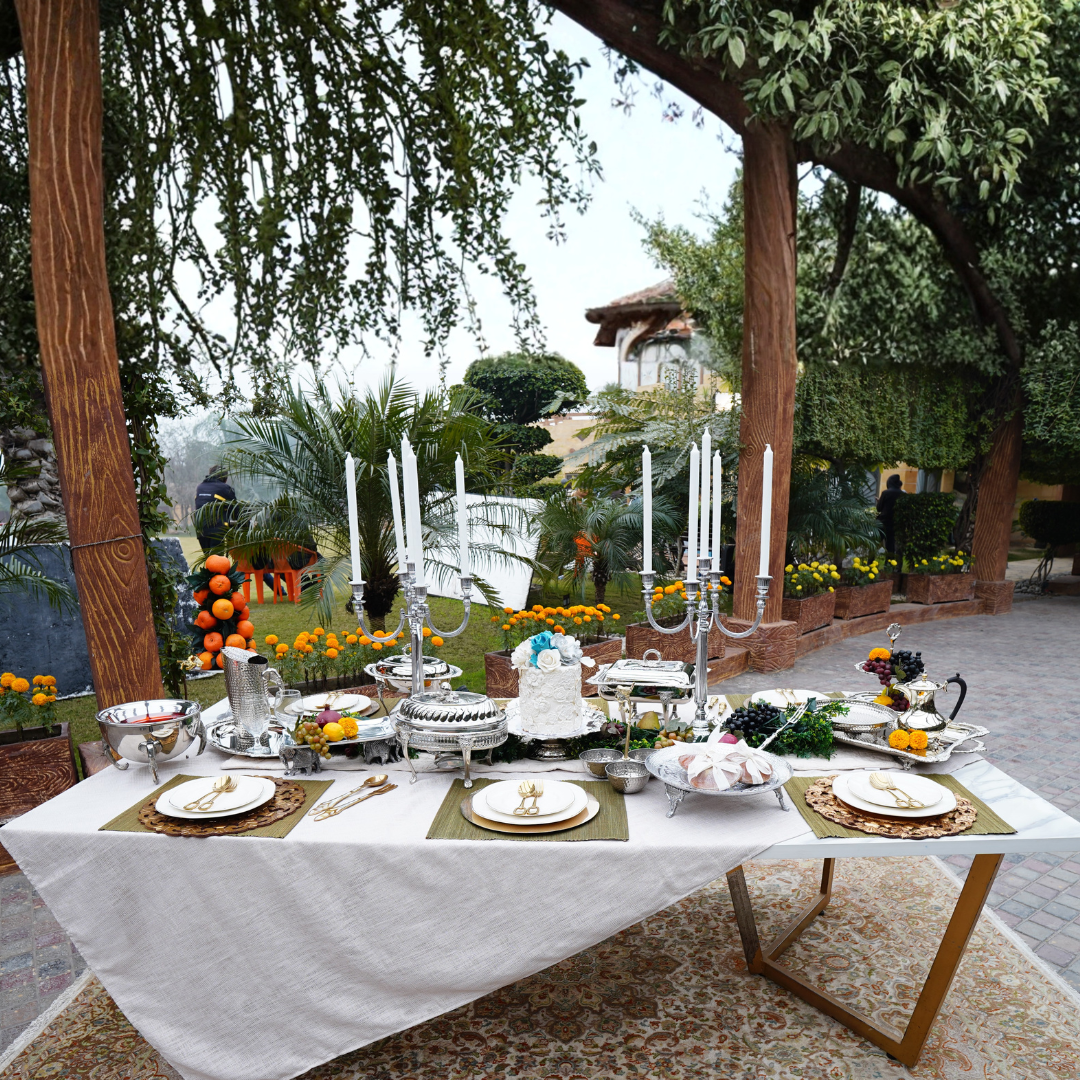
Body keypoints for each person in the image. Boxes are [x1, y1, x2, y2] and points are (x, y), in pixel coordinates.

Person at [194, 467, 236, 554]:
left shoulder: (200, 487)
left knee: (209, 558)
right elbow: (235, 510)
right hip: (217, 529)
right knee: (217, 559)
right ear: (225, 478)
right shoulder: (224, 488)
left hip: (201, 529)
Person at [876, 474, 905, 555]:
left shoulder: (885, 493)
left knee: (875, 542)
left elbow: (879, 508)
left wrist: (879, 502)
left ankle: (870, 561)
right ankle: (889, 561)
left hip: (883, 521)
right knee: (890, 544)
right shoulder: (903, 494)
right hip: (895, 522)